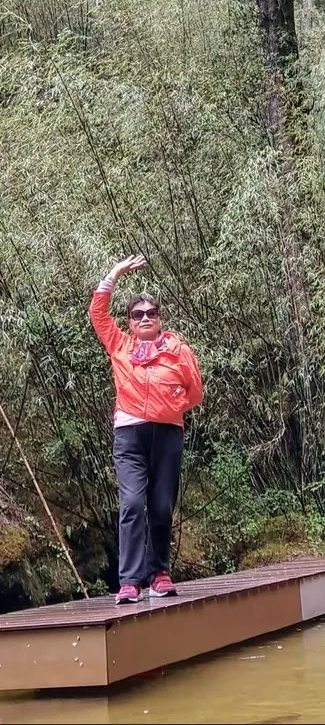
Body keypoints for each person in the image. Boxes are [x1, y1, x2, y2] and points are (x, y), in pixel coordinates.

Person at [89, 254, 203, 605]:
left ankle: (159, 574)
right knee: (132, 504)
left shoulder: (177, 349)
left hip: (167, 434)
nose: (144, 319)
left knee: (161, 506)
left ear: (159, 318)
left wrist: (170, 409)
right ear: (130, 321)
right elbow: (97, 312)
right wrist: (116, 272)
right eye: (137, 315)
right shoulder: (119, 345)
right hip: (130, 435)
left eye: (150, 313)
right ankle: (130, 582)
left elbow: (195, 391)